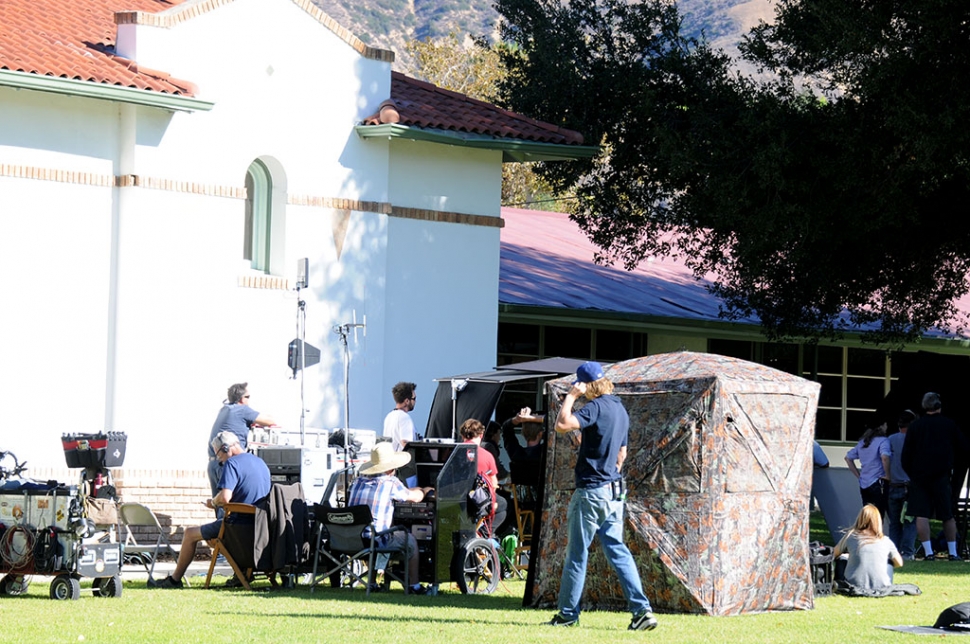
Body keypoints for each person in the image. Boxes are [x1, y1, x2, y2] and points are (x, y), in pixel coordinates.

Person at [549, 361, 657, 631]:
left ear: (585, 384)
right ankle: (641, 611)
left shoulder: (594, 406)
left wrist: (570, 397)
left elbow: (562, 424)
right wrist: (610, 474)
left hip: (592, 491)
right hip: (614, 490)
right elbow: (622, 454)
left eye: (580, 386)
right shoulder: (620, 409)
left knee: (577, 553)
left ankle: (567, 614)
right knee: (618, 551)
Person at [152, 431, 272, 588]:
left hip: (238, 527)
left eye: (219, 457)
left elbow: (224, 498)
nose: (220, 462)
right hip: (261, 529)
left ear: (225, 448)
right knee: (212, 540)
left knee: (190, 534)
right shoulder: (260, 463)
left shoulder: (232, 463)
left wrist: (213, 502)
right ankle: (241, 574)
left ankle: (174, 580)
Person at [348, 442, 431, 594]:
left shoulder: (357, 482)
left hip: (352, 540)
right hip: (375, 540)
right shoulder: (390, 483)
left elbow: (402, 491)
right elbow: (415, 497)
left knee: (376, 532)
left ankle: (372, 583)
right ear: (390, 468)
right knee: (409, 540)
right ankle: (414, 586)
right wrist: (425, 490)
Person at [901, 392, 969, 561]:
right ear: (939, 406)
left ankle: (928, 551)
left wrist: (912, 473)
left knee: (921, 514)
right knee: (947, 514)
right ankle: (953, 552)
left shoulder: (916, 426)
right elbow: (963, 449)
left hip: (919, 476)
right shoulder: (949, 425)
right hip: (942, 475)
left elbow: (906, 455)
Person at [207, 382, 276, 518]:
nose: (249, 400)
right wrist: (253, 420)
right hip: (227, 461)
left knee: (220, 508)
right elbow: (270, 421)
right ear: (241, 399)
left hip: (213, 463)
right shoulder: (242, 410)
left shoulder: (225, 409)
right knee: (229, 506)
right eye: (248, 396)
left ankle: (220, 535)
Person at [835, 504, 903, 592]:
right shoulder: (886, 540)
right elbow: (899, 563)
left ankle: (839, 583)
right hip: (882, 586)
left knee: (842, 557)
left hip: (853, 584)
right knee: (888, 561)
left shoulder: (851, 536)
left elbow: (834, 554)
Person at [459, 419, 508, 535]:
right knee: (503, 505)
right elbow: (493, 483)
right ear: (481, 435)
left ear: (462, 435)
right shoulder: (487, 455)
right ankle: (482, 534)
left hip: (455, 497)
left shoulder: (454, 452)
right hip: (476, 500)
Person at [887, 410, 918, 560]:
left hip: (893, 484)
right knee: (910, 521)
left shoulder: (890, 439)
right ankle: (907, 552)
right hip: (910, 486)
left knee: (894, 522)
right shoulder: (916, 440)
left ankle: (893, 551)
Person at [844, 420, 891, 517]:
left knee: (867, 514)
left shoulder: (863, 442)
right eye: (885, 425)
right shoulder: (883, 441)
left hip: (864, 482)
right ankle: (877, 531)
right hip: (878, 481)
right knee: (878, 515)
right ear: (881, 426)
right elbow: (885, 457)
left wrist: (859, 476)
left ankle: (868, 531)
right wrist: (887, 475)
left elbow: (848, 458)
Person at [383, 382, 417, 452]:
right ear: (407, 401)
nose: (415, 401)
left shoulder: (389, 416)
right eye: (414, 398)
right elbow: (406, 443)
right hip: (402, 461)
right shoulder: (404, 417)